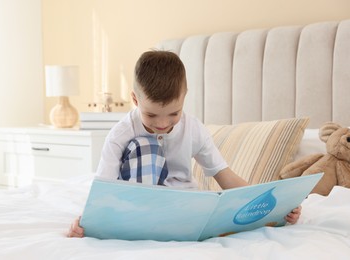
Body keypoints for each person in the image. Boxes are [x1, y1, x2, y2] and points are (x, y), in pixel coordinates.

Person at [67, 50, 301, 238]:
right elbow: (104, 190)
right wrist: (85, 222)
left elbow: (225, 177)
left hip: (188, 209)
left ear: (184, 97)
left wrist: (274, 206)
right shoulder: (120, 134)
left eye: (173, 114)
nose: (162, 124)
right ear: (135, 99)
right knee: (143, 147)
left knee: (231, 216)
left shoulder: (194, 129)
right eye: (150, 115)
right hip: (140, 207)